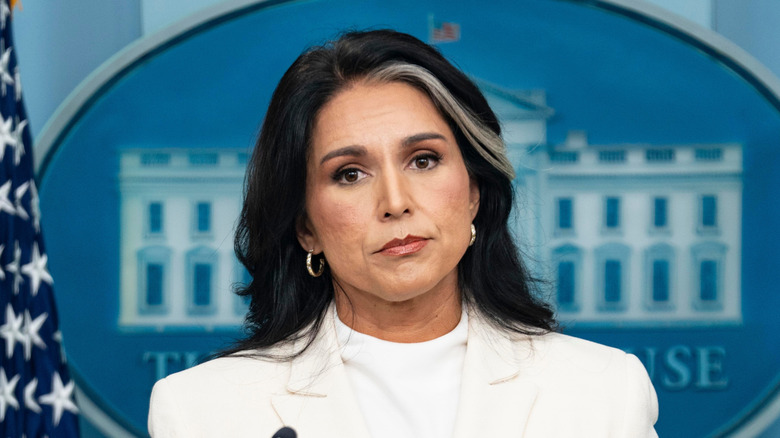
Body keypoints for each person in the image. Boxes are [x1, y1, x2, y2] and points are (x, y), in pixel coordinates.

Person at [148, 29, 658, 437]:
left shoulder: (603, 391)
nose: (395, 203)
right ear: (306, 227)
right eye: (349, 173)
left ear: (475, 191)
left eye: (423, 160)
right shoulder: (202, 412)